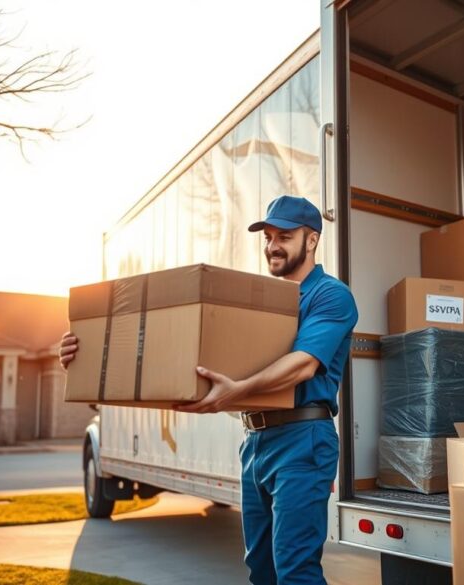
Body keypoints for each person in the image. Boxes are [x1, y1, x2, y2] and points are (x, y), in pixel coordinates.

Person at [59, 196, 358, 585]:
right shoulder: (267, 305)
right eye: (267, 237)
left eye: (283, 236)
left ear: (312, 240)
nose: (272, 246)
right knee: (261, 569)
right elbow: (200, 361)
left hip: (303, 441)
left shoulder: (330, 295)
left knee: (295, 570)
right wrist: (84, 352)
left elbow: (304, 364)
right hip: (255, 441)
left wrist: (234, 393)